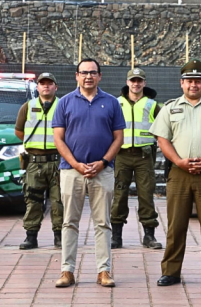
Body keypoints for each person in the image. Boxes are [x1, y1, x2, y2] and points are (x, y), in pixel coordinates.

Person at [150, 59, 201, 289]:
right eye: (189, 81)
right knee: (176, 225)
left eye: (198, 81)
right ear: (182, 83)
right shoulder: (170, 108)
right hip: (179, 173)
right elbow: (162, 138)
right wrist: (178, 160)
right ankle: (171, 272)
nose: (193, 85)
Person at [52, 58, 125, 288]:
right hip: (71, 171)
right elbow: (58, 139)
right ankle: (67, 271)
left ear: (100, 76)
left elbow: (119, 138)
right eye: (84, 73)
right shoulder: (64, 103)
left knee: (103, 222)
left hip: (102, 171)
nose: (88, 77)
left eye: (93, 72)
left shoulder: (112, 103)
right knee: (69, 222)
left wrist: (103, 162)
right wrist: (75, 164)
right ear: (76, 76)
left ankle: (103, 271)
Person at [111, 68, 163, 250]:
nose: (136, 83)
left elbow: (163, 129)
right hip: (121, 155)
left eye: (139, 80)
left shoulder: (152, 105)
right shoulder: (115, 104)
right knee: (118, 195)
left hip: (144, 156)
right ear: (127, 82)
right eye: (133, 80)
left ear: (144, 83)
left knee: (146, 196)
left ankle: (149, 236)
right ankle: (116, 237)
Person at [14, 72, 63, 250]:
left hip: (57, 160)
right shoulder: (28, 106)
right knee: (32, 199)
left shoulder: (63, 106)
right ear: (37, 87)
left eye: (50, 83)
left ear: (55, 87)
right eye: (43, 83)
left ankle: (59, 236)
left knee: (59, 200)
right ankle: (31, 236)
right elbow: (19, 131)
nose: (46, 86)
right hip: (34, 162)